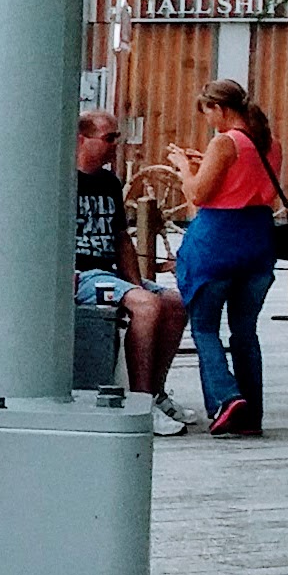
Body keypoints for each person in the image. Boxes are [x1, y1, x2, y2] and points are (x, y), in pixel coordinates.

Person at [168, 79, 283, 436]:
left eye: (207, 113)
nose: (208, 121)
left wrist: (184, 168)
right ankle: (252, 413)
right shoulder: (269, 142)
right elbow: (245, 178)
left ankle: (226, 398)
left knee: (204, 327)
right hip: (258, 241)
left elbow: (198, 194)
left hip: (218, 241)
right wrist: (206, 164)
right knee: (245, 331)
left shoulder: (224, 141)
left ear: (219, 108)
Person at [74, 111, 187, 434]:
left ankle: (156, 391)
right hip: (82, 274)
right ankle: (140, 401)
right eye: (109, 138)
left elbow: (122, 238)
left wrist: (135, 283)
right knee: (146, 306)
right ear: (82, 140)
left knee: (175, 303)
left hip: (108, 271)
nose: (115, 145)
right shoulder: (62, 181)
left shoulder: (110, 182)